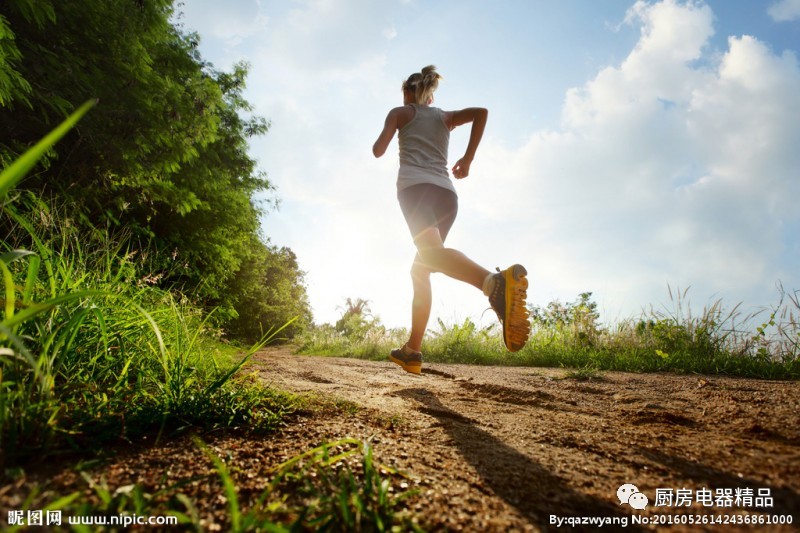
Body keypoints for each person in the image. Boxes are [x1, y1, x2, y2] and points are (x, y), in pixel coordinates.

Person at [372, 65, 530, 375]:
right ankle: (412, 350)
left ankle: (494, 283)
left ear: (408, 94)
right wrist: (468, 159)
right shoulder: (444, 117)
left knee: (429, 257)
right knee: (422, 267)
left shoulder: (400, 112)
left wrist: (393, 126)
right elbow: (481, 112)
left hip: (415, 190)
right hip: (446, 195)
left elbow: (378, 150)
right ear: (430, 97)